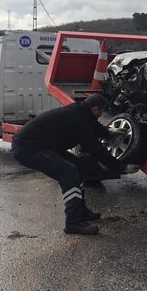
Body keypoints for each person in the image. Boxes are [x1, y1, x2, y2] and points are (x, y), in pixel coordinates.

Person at [11, 94, 137, 235]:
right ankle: (73, 222)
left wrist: (109, 132)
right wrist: (122, 168)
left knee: (77, 166)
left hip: (42, 145)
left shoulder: (81, 112)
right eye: (102, 112)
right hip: (28, 148)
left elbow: (95, 128)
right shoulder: (79, 120)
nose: (101, 115)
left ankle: (80, 211)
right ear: (96, 109)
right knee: (68, 173)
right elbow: (96, 149)